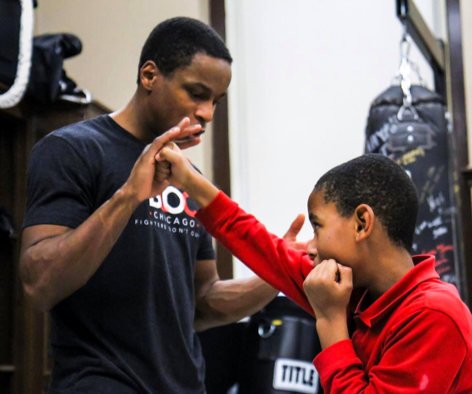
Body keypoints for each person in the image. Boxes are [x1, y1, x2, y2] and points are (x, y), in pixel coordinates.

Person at [18, 17, 300, 393]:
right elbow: (39, 284)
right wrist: (128, 196)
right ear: (149, 76)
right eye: (196, 93)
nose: (207, 114)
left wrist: (279, 272)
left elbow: (202, 302)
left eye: (215, 101)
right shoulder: (72, 150)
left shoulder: (187, 176)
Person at [155, 146, 472, 393]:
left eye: (317, 228)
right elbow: (258, 244)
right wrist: (187, 179)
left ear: (362, 223)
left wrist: (330, 319)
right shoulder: (353, 289)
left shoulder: (434, 314)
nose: (310, 246)